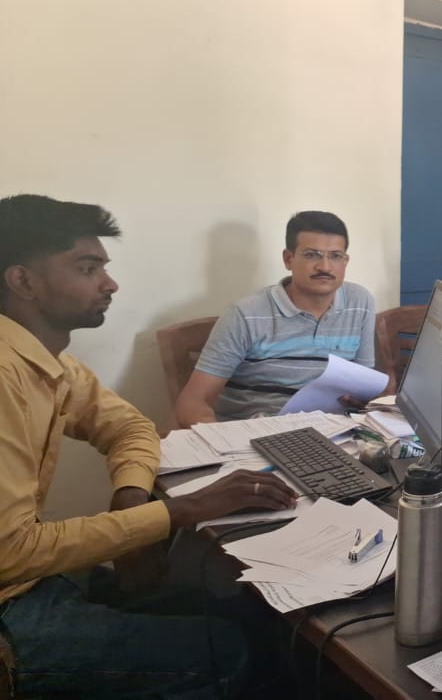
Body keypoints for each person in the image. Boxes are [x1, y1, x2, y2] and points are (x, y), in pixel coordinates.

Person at [0, 194, 297, 698]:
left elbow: (130, 427)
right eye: (87, 268)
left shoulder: (48, 363)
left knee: (239, 611)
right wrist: (181, 511)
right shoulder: (6, 376)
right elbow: (13, 552)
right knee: (227, 650)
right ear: (23, 281)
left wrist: (132, 497)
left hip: (33, 581)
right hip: (12, 613)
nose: (109, 283)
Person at [175, 211, 378, 427]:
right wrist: (218, 437)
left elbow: (364, 385)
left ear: (346, 261)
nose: (325, 267)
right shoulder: (246, 315)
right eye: (312, 255)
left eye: (336, 256)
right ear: (288, 259)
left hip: (334, 430)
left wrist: (362, 399)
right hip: (258, 431)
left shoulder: (360, 302)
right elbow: (193, 401)